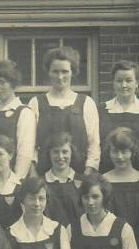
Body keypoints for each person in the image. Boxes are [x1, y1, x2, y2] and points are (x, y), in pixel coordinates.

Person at [30, 47, 99, 175]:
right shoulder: (36, 103)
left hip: (79, 178)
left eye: (65, 71)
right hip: (43, 178)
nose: (60, 76)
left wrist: (87, 175)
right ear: (48, 72)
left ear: (73, 72)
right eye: (55, 71)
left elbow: (93, 145)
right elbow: (30, 146)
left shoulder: (86, 103)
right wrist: (33, 174)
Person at [98, 60, 139, 174]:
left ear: (137, 83)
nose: (124, 85)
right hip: (107, 179)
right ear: (113, 83)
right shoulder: (100, 111)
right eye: (119, 81)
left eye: (128, 80)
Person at [0, 60, 35, 180]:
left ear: (13, 84)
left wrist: (16, 183)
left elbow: (24, 153)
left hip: (12, 181)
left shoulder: (23, 113)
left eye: (2, 82)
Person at [103, 127, 139, 249]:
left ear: (133, 152)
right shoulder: (102, 182)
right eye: (115, 151)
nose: (119, 157)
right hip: (109, 245)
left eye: (124, 151)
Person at [41, 131, 83, 227]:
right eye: (56, 152)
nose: (60, 157)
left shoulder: (83, 181)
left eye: (64, 152)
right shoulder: (41, 183)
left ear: (72, 152)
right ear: (49, 154)